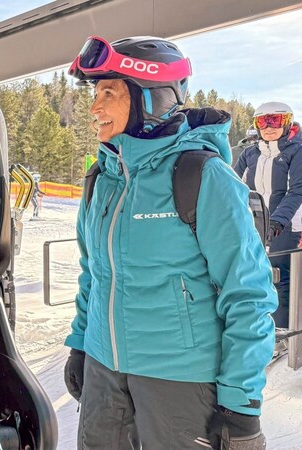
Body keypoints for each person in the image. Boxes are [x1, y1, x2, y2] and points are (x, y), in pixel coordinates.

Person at [64, 36, 276, 449]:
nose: (95, 108)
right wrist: (80, 344)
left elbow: (248, 294)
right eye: (94, 93)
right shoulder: (101, 179)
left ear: (151, 97)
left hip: (179, 380)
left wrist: (242, 403)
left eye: (109, 92)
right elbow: (95, 273)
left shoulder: (201, 175)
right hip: (104, 374)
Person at [234, 102, 302, 329]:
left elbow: (297, 191)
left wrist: (276, 222)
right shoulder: (250, 154)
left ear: (287, 123)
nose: (269, 127)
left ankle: (286, 333)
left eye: (275, 121)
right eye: (263, 121)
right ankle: (265, 328)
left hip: (288, 224)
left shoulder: (296, 151)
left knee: (281, 277)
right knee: (257, 276)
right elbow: (235, 187)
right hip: (256, 225)